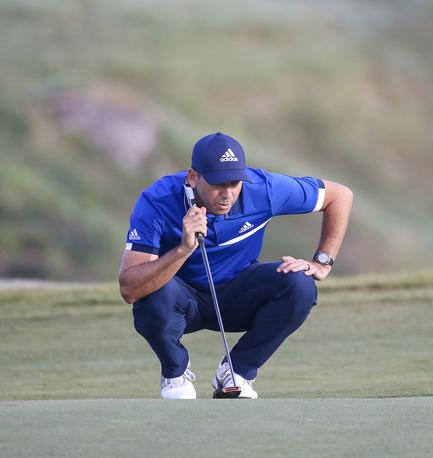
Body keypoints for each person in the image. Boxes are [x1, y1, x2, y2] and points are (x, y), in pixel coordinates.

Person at [118, 132, 353, 399]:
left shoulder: (264, 189)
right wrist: (183, 249)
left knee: (299, 284)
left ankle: (237, 372)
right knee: (152, 292)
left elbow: (340, 196)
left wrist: (322, 262)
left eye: (234, 183)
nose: (227, 194)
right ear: (193, 177)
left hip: (238, 295)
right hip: (179, 302)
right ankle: (175, 371)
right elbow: (130, 288)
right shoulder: (157, 201)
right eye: (218, 184)